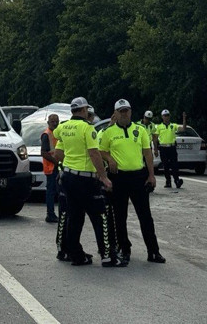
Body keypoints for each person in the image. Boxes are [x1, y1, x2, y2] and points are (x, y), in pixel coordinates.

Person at [52, 97, 117, 267]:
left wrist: (65, 166)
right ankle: (107, 256)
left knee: (74, 217)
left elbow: (57, 155)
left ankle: (76, 256)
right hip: (85, 179)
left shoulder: (63, 128)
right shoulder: (88, 129)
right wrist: (103, 177)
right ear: (84, 110)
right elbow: (94, 154)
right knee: (100, 216)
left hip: (67, 177)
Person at [100, 99, 164, 265]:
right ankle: (124, 249)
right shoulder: (109, 132)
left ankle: (153, 251)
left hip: (138, 176)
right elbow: (101, 151)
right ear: (115, 113)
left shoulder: (140, 130)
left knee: (145, 216)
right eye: (120, 111)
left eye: (126, 110)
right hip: (119, 178)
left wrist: (151, 175)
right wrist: (109, 159)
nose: (124, 113)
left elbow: (148, 153)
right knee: (120, 216)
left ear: (130, 112)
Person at [40, 113, 61, 223]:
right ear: (48, 122)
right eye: (52, 121)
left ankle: (55, 214)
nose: (55, 123)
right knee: (51, 192)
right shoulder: (46, 134)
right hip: (51, 167)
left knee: (57, 191)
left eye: (56, 121)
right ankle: (50, 214)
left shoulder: (57, 133)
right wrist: (55, 161)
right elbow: (43, 152)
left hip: (57, 167)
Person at [155, 110, 183, 189]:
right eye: (165, 115)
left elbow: (183, 129)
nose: (166, 117)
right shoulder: (159, 127)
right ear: (162, 116)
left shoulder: (173, 125)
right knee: (166, 166)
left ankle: (177, 180)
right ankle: (168, 181)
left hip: (172, 147)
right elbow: (155, 138)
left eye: (167, 115)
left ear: (169, 116)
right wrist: (156, 149)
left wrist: (184, 120)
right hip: (163, 148)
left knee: (174, 165)